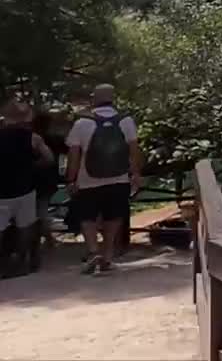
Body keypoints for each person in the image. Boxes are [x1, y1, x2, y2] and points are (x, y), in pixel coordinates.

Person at [66, 84, 141, 276]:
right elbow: (133, 152)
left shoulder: (82, 123)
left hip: (88, 180)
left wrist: (71, 179)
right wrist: (136, 175)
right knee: (114, 216)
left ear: (94, 99)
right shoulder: (126, 121)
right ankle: (107, 254)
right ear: (113, 98)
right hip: (119, 179)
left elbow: (74, 155)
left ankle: (93, 251)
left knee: (87, 216)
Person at [0, 99, 54, 278]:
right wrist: (32, 165)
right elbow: (49, 159)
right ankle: (23, 261)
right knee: (26, 226)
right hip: (25, 188)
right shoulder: (33, 137)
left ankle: (3, 263)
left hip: (2, 190)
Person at [31, 110, 65, 252]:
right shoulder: (54, 139)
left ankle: (40, 240)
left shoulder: (30, 138)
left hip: (29, 180)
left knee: (34, 213)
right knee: (42, 211)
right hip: (48, 180)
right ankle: (46, 239)